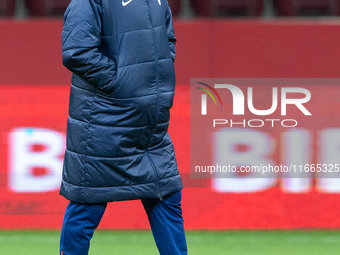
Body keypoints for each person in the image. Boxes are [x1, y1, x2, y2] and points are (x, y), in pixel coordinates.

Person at [58, 0, 187, 254]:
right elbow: (76, 51)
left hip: (150, 125)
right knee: (87, 205)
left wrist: (156, 78)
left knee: (168, 196)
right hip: (105, 121)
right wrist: (124, 84)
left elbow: (168, 41)